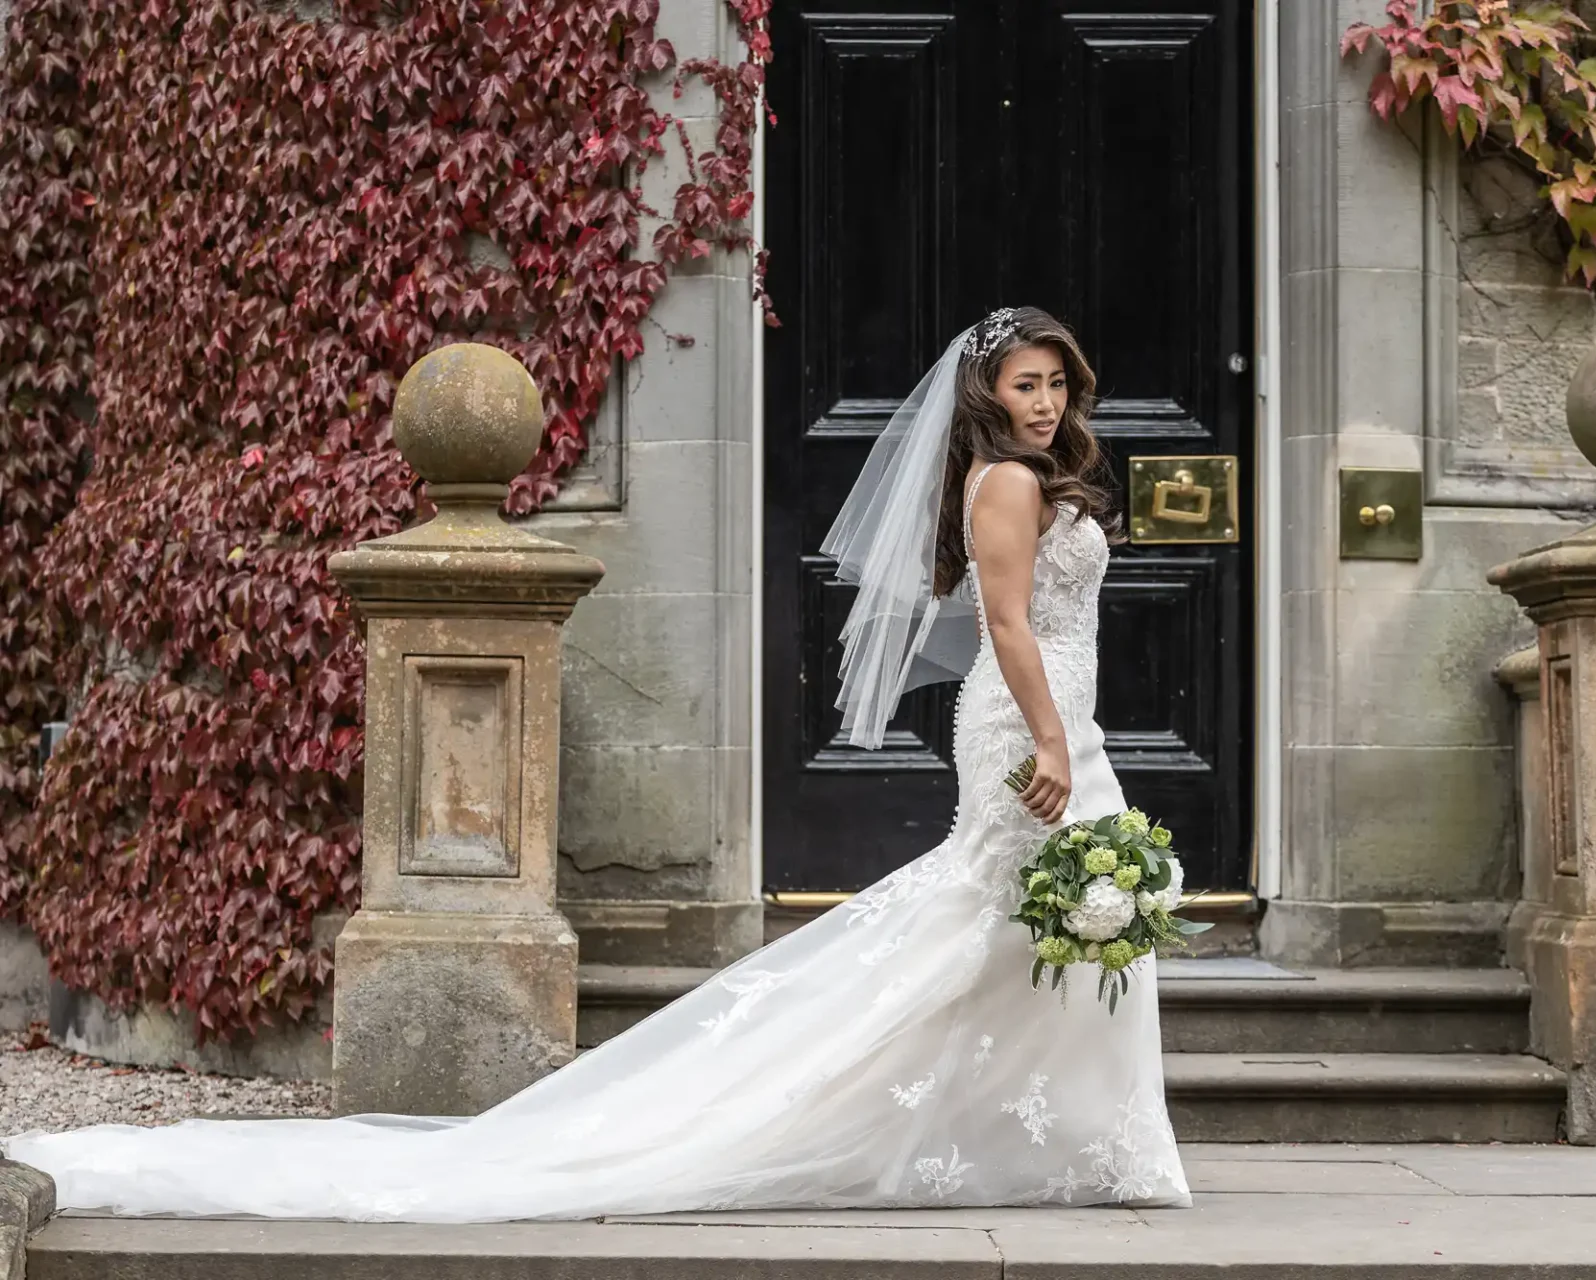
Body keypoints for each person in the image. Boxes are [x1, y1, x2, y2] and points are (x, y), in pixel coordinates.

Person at [2, 306, 1190, 1221]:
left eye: (1058, 383)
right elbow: (1010, 623)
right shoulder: (1008, 482)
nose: (1045, 401)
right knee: (1032, 916)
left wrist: (1060, 726)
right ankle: (1018, 1131)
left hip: (1059, 718)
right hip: (1032, 722)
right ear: (987, 392)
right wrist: (1044, 737)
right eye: (1026, 383)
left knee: (1040, 923)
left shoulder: (1040, 476)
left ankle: (1055, 1135)